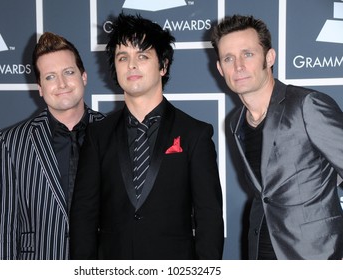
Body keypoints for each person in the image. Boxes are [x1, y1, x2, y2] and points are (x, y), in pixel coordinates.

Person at [70, 13, 224, 260]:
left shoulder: (195, 134)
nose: (131, 65)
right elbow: (84, 214)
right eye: (123, 57)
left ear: (163, 66)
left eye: (142, 56)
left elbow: (209, 218)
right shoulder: (97, 135)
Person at [211, 14, 343, 260]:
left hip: (315, 256)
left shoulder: (307, 105)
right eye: (228, 58)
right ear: (220, 68)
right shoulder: (235, 122)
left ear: (269, 57)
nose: (238, 66)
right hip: (260, 253)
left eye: (248, 54)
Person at [0, 32, 105, 259]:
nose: (61, 84)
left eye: (68, 72)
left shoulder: (113, 132)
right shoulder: (11, 144)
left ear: (84, 77)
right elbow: (2, 230)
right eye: (50, 77)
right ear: (40, 87)